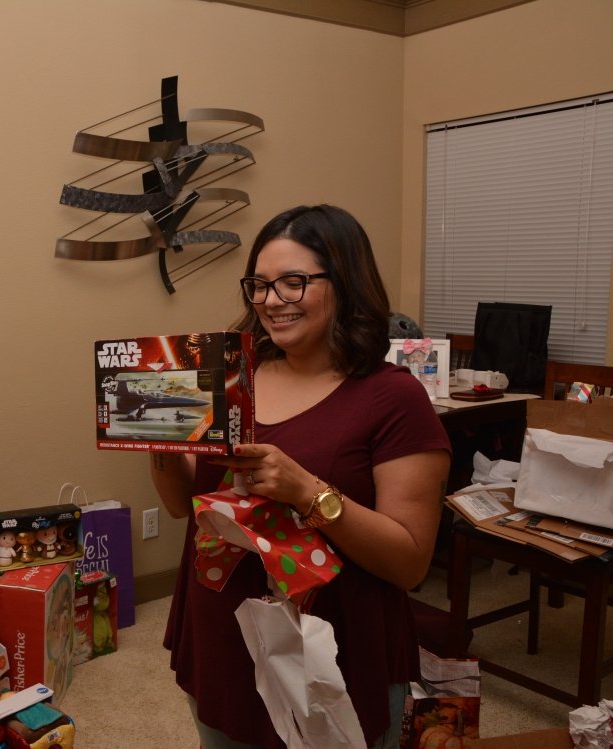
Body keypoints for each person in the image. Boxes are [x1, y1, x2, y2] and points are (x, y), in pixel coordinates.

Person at [151, 205, 451, 749]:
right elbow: (180, 505)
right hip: (222, 633)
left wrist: (305, 490)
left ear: (345, 283)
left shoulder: (393, 398)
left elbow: (409, 563)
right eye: (259, 285)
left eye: (293, 282)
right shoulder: (231, 377)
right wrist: (156, 442)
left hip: (332, 652)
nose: (271, 301)